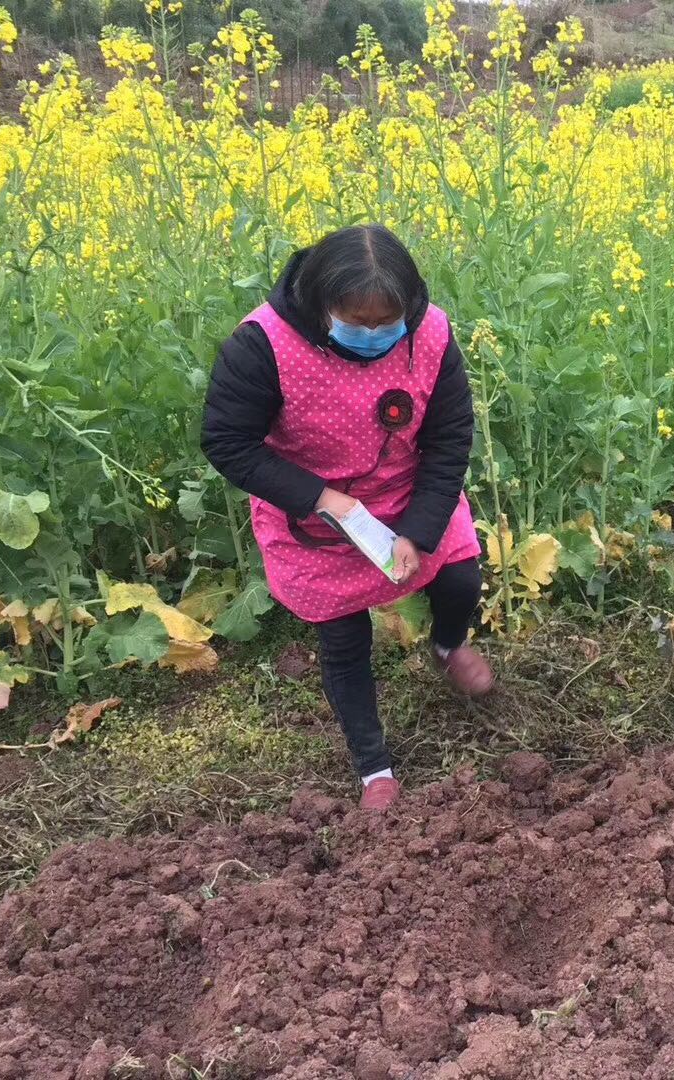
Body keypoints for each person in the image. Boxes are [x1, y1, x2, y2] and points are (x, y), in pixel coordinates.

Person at [201, 224, 494, 811]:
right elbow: (228, 442)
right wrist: (322, 498)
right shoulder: (262, 343)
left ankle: (446, 645)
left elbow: (450, 435)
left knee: (461, 577)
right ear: (320, 303)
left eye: (387, 323)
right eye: (355, 323)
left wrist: (419, 527)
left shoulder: (431, 332)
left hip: (408, 489)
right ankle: (373, 767)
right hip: (315, 512)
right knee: (343, 638)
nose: (372, 336)